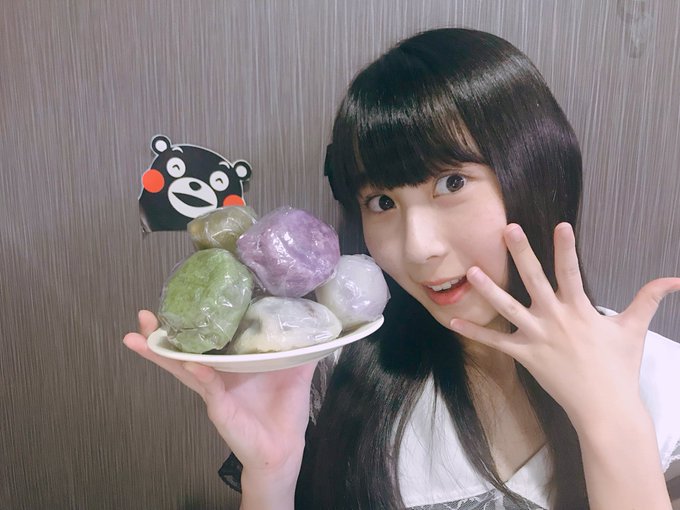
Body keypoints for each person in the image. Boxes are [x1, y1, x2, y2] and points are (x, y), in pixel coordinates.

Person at [124, 28, 680, 509]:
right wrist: (271, 474)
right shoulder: (331, 374)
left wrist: (612, 420)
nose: (417, 249)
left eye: (452, 183)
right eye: (382, 202)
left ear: (535, 172)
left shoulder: (655, 377)